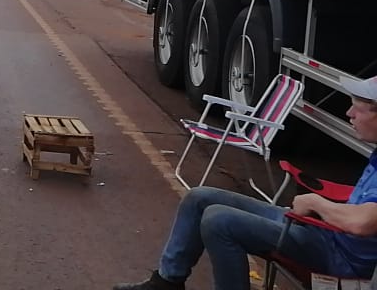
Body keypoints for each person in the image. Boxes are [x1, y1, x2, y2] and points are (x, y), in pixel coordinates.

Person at [113, 75, 377, 290]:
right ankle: (166, 283)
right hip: (323, 233)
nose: (348, 113)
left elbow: (363, 222)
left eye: (358, 107)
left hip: (337, 255)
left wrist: (316, 202)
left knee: (219, 221)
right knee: (199, 198)